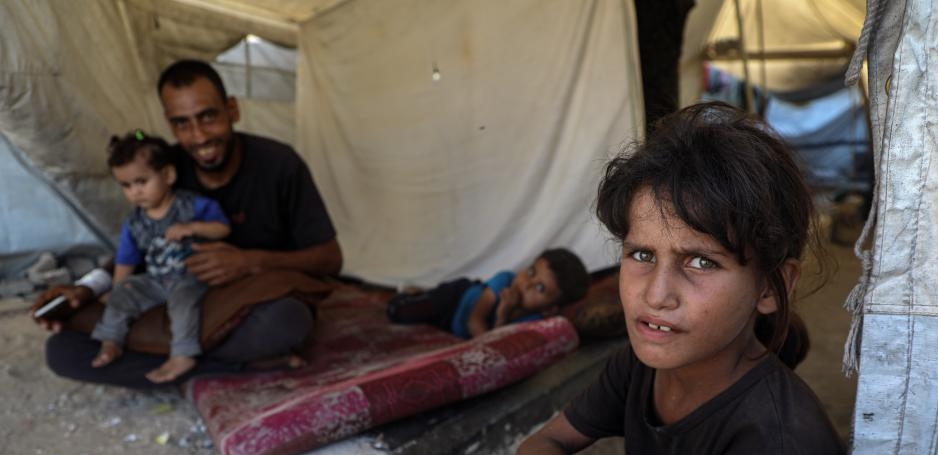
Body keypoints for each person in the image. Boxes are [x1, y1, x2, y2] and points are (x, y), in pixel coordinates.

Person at [432, 102, 850, 455]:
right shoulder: (644, 363)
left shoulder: (774, 443)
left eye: (701, 262)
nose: (656, 295)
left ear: (772, 288)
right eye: (642, 254)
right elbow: (538, 448)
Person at [34, 59, 343, 388]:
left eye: (208, 117)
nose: (198, 136)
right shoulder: (162, 167)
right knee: (63, 349)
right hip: (176, 301)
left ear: (232, 110)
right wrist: (87, 288)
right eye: (182, 123)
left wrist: (249, 262)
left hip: (247, 302)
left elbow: (330, 259)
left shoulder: (279, 164)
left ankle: (180, 359)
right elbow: (136, 247)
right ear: (170, 124)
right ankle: (236, 365)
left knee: (286, 322)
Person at [91, 131, 230, 383]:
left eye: (141, 181)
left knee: (183, 302)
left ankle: (183, 354)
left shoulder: (192, 205)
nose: (135, 192)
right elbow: (126, 261)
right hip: (156, 280)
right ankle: (111, 341)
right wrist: (118, 289)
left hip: (191, 275)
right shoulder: (134, 223)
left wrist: (193, 228)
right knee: (124, 292)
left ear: (168, 175)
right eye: (126, 186)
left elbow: (223, 229)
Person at [386, 248, 590, 338]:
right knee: (401, 311)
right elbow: (474, 320)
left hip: (451, 327)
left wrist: (502, 314)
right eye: (530, 272)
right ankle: (415, 295)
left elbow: (497, 344)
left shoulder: (534, 321)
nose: (527, 284)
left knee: (428, 321)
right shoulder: (505, 280)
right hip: (457, 299)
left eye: (540, 288)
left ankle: (421, 294)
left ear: (550, 310)